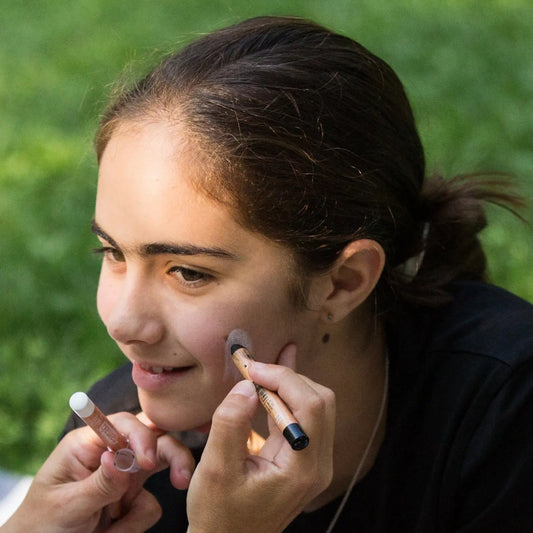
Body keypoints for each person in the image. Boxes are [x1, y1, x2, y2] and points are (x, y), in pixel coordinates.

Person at [5, 15, 533, 532]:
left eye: (187, 272)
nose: (123, 321)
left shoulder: (504, 409)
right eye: (113, 254)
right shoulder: (120, 464)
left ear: (343, 282)